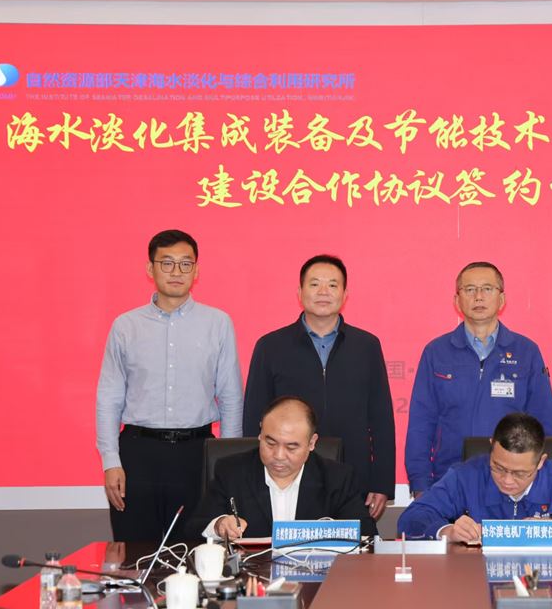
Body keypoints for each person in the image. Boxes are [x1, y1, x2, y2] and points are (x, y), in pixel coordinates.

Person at [96, 229, 243, 541]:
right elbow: (109, 397)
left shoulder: (217, 323)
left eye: (185, 264)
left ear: (196, 271)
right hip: (138, 454)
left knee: (196, 553)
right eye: (167, 263)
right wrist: (111, 461)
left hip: (196, 454)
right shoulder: (126, 326)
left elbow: (230, 397)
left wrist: (227, 466)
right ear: (150, 269)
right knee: (135, 554)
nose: (176, 272)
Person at [242, 255, 395, 521]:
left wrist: (381, 483)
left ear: (345, 294)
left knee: (352, 546)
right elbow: (254, 418)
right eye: (314, 284)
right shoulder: (270, 346)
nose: (323, 292)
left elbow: (381, 419)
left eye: (333, 285)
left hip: (353, 474)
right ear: (299, 292)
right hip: (287, 475)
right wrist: (254, 477)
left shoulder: (367, 346)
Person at [405, 261, 552, 496]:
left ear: (501, 299)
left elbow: (544, 423)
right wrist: (420, 483)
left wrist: (543, 482)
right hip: (449, 480)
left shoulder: (526, 352)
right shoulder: (436, 352)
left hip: (512, 482)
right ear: (457, 300)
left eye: (487, 289)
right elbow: (421, 423)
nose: (478, 297)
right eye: (469, 289)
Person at [398, 413, 552, 541]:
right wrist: (447, 531)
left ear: (540, 462)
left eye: (520, 473)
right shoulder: (466, 476)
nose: (507, 481)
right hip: (477, 581)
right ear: (491, 447)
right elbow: (410, 520)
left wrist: (551, 525)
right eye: (498, 467)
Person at [189, 396, 377, 539]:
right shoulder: (231, 471)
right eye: (270, 443)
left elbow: (366, 536)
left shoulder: (337, 478)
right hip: (250, 577)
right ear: (261, 433)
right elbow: (194, 529)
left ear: (312, 443)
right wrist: (219, 525)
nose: (278, 455)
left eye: (291, 447)